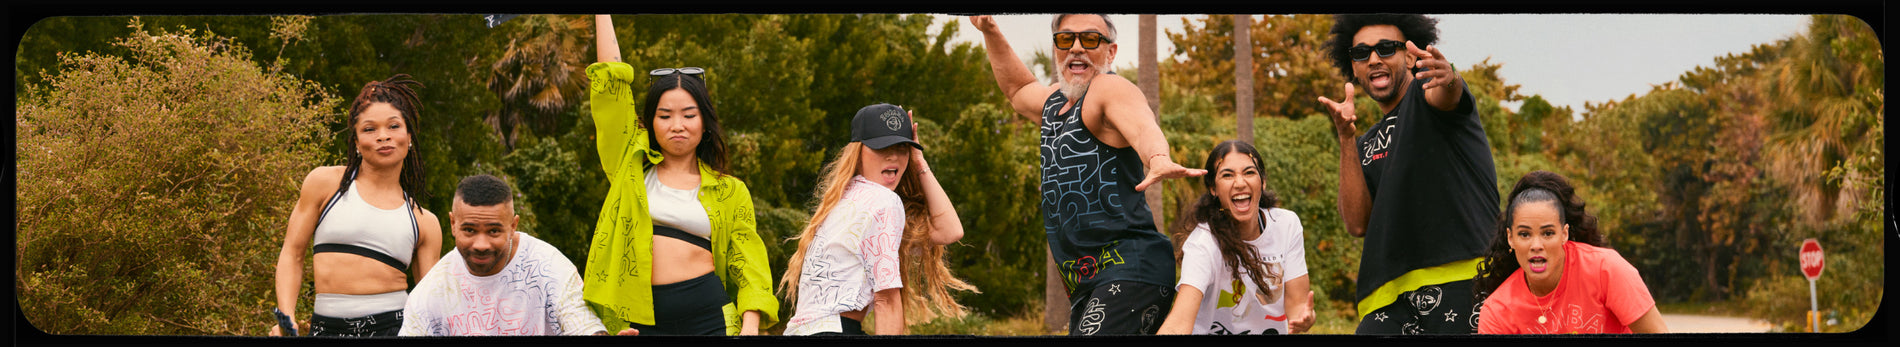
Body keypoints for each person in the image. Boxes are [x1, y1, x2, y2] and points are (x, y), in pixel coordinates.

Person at [969, 14, 1203, 335]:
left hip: (1129, 269)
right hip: (1088, 284)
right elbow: (1018, 87)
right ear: (1056, 49)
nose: (1076, 48)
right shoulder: (1053, 103)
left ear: (1111, 52)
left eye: (1090, 39)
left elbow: (1142, 123)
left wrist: (1158, 157)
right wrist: (990, 29)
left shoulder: (1108, 88)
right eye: (1065, 40)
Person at [580, 14, 778, 336]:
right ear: (650, 121)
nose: (677, 125)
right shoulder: (628, 167)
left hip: (712, 319)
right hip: (639, 323)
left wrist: (751, 328)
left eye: (689, 114)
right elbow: (611, 84)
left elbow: (750, 267)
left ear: (705, 121)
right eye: (664, 115)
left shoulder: (731, 190)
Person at [1314, 14, 1497, 334]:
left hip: (1461, 281)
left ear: (1410, 56)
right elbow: (1357, 223)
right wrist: (1346, 139)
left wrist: (1448, 75)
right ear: (1353, 67)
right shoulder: (1366, 141)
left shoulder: (1428, 96)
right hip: (1388, 298)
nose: (1373, 59)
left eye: (1386, 49)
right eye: (1361, 53)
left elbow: (1448, 92)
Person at [779, 103, 974, 336]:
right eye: (881, 147)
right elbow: (887, 302)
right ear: (858, 152)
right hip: (835, 331)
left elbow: (949, 231)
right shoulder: (882, 201)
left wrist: (919, 161)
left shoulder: (844, 199)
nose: (893, 156)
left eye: (903, 147)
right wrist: (921, 162)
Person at [273, 74, 442, 336]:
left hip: (394, 328)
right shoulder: (324, 184)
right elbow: (292, 254)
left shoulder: (423, 221)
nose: (383, 136)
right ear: (356, 143)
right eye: (369, 129)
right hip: (324, 328)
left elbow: (429, 304)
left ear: (409, 137)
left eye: (394, 126)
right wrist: (287, 316)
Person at [399, 175, 613, 336]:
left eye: (493, 231)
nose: (481, 245)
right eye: (470, 230)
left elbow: (582, 323)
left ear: (513, 226)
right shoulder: (431, 291)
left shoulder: (549, 266)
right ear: (453, 224)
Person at [1474, 171, 1667, 334]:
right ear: (1511, 238)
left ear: (1564, 234)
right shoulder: (1497, 311)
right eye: (1524, 234)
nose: (1536, 245)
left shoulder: (1606, 269)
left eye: (1548, 233)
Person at [1157, 140, 1314, 335]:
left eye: (1249, 172)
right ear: (1213, 188)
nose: (1240, 183)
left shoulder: (1286, 225)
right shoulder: (1203, 244)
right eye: (1227, 175)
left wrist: (1303, 318)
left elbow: (1297, 304)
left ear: (1263, 181)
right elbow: (1180, 321)